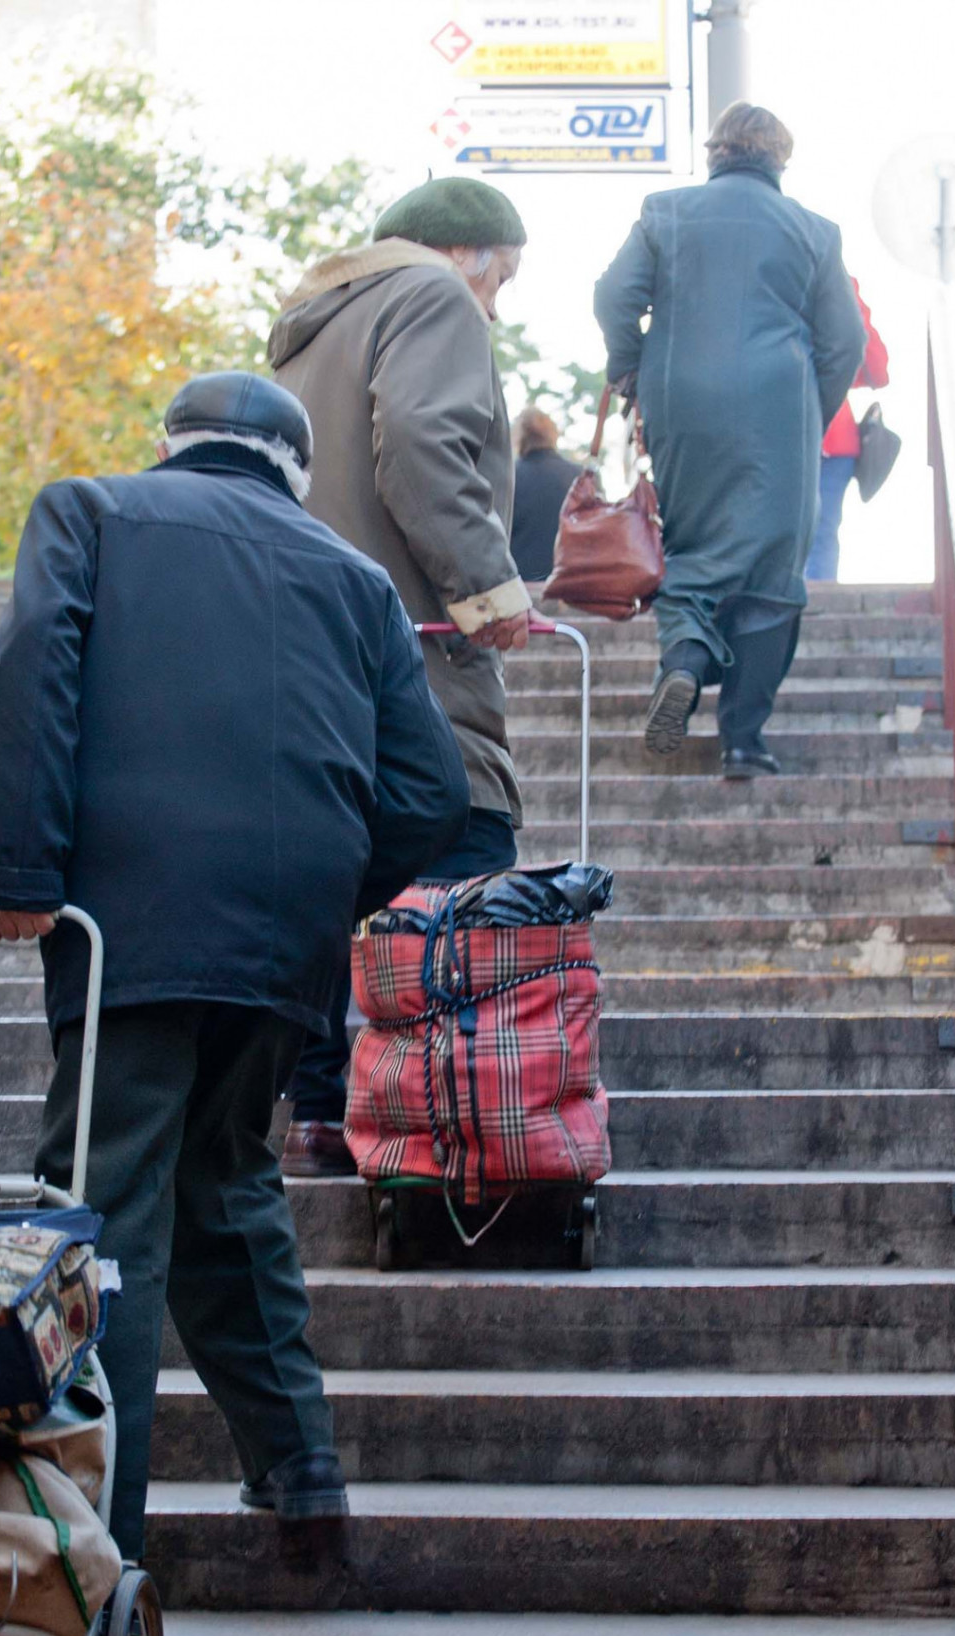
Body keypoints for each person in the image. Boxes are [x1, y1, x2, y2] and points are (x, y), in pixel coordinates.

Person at [0, 372, 469, 1556]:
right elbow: (432, 793)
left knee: (105, 1214)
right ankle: (300, 1471)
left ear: (171, 447)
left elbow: (27, 665)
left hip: (125, 924)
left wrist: (13, 872)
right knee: (228, 1188)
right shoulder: (355, 577)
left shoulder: (90, 511)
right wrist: (323, 895)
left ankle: (92, 1538)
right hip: (282, 941)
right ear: (294, 472)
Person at [268, 175, 531, 1174]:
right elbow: (421, 443)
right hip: (409, 641)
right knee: (459, 839)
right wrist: (490, 590)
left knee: (337, 871)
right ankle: (434, 1115)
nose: (496, 306)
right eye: (501, 278)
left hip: (304, 650)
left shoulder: (310, 328)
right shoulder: (430, 298)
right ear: (465, 253)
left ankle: (330, 1107)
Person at [594, 102, 865, 779]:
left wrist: (631, 366)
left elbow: (612, 295)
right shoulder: (814, 231)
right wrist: (807, 409)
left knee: (692, 547)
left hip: (681, 398)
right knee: (773, 573)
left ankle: (685, 661)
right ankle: (743, 742)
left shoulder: (665, 210)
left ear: (716, 153)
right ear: (780, 159)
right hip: (781, 407)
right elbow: (845, 342)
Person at [805, 279, 889, 581]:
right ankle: (816, 608)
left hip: (814, 438)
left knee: (810, 534)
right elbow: (875, 367)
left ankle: (806, 610)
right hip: (833, 437)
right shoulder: (835, 284)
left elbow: (877, 368)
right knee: (822, 533)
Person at [510, 407, 583, 584]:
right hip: (573, 583)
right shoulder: (580, 476)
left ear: (519, 436)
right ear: (552, 434)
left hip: (522, 587)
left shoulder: (508, 477)